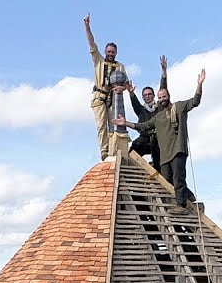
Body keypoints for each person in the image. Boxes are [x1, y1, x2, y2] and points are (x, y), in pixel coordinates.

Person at [116, 69, 206, 210]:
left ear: (168, 96)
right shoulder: (158, 117)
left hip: (177, 150)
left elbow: (195, 101)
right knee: (166, 178)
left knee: (178, 178)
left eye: (164, 96)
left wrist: (199, 85)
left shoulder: (179, 107)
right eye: (160, 97)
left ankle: (181, 205)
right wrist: (125, 123)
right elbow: (143, 126)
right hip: (165, 153)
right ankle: (187, 195)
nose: (162, 98)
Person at [83, 14, 125, 161]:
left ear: (116, 53)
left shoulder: (120, 66)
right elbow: (91, 44)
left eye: (113, 52)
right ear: (106, 52)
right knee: (101, 125)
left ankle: (113, 150)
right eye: (109, 52)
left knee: (113, 125)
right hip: (99, 97)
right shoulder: (99, 61)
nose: (110, 54)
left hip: (112, 99)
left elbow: (125, 83)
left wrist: (122, 89)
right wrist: (87, 27)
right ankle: (104, 151)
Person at [127, 55, 168, 170]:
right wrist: (131, 93)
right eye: (145, 95)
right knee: (131, 152)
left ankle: (157, 171)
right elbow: (135, 103)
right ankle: (135, 171)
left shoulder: (160, 107)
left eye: (150, 94)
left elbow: (163, 87)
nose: (147, 96)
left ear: (154, 95)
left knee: (159, 162)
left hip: (158, 140)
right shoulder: (141, 110)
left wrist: (164, 71)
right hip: (144, 140)